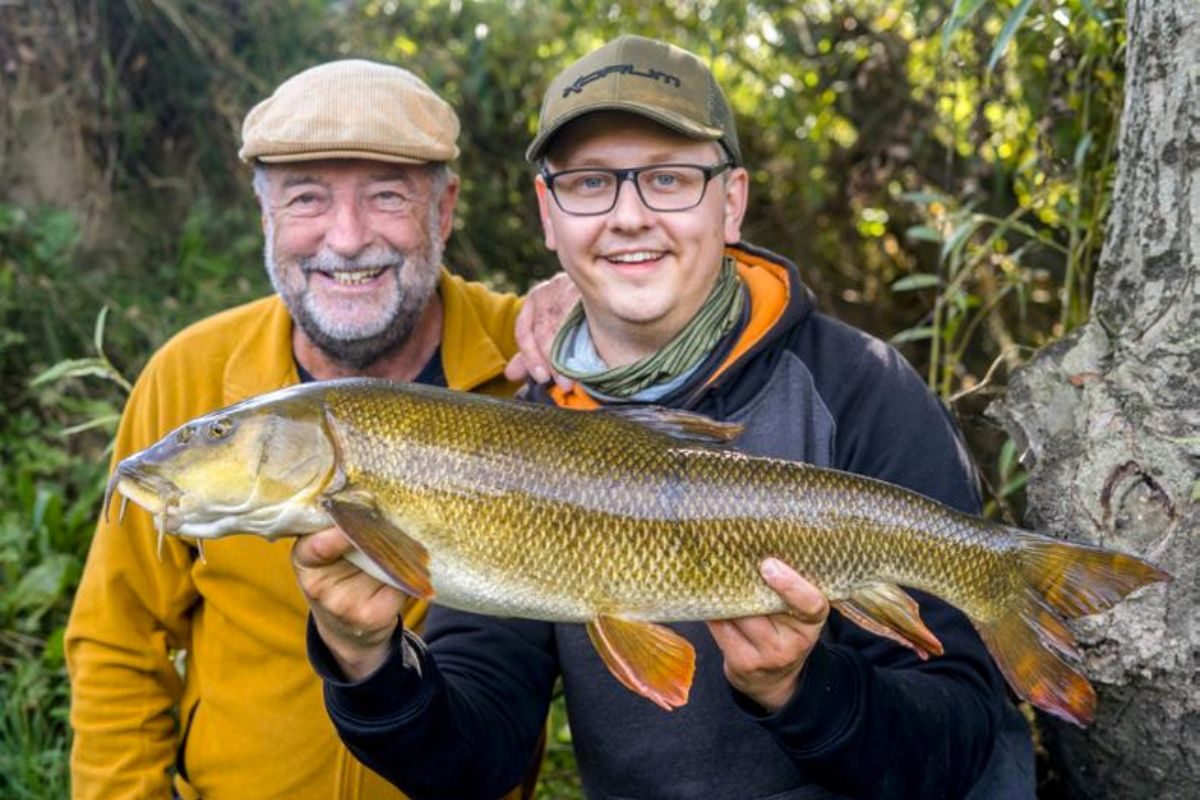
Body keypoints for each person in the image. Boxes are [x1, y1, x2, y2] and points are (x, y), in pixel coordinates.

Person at [294, 37, 1037, 799]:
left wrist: (802, 689)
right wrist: (367, 660)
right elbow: (474, 762)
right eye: (589, 185)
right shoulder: (516, 439)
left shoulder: (861, 389)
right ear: (549, 215)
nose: (629, 217)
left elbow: (962, 739)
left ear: (733, 201)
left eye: (670, 179)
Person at [65, 59, 573, 800]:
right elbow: (117, 642)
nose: (346, 238)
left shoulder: (534, 360)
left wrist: (598, 303)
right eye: (307, 199)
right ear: (265, 217)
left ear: (444, 209)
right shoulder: (192, 377)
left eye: (387, 196)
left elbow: (690, 282)